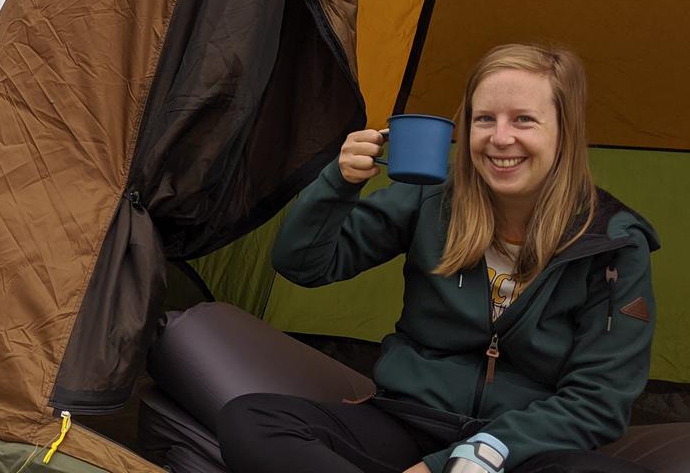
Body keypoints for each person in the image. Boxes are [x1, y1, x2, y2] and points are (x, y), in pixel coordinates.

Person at [217, 44, 659, 473]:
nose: (500, 138)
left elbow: (600, 399)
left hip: (523, 446)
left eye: (524, 120)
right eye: (484, 119)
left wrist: (472, 457)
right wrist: (338, 182)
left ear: (565, 130)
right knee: (253, 419)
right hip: (407, 421)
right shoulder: (430, 197)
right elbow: (303, 264)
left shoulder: (613, 242)